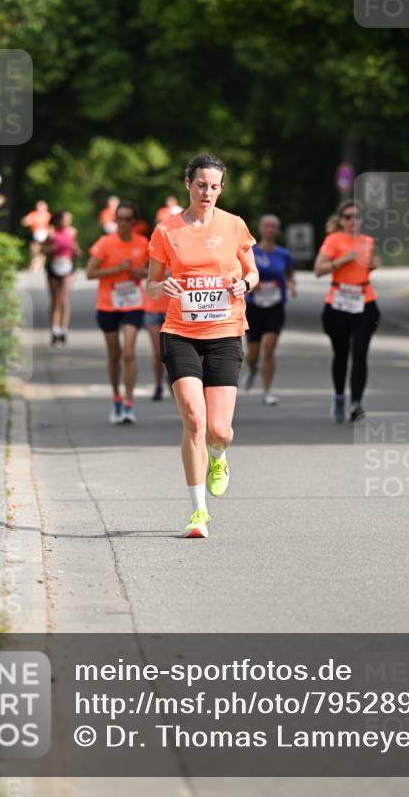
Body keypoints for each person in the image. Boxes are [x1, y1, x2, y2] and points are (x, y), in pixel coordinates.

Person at [146, 154, 259, 538]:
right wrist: (162, 288)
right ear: (187, 184)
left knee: (219, 428)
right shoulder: (166, 230)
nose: (206, 192)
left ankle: (219, 455)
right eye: (200, 185)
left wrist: (245, 284)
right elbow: (151, 283)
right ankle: (198, 513)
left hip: (226, 332)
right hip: (180, 332)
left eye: (213, 186)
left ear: (221, 188)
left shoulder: (234, 225)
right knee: (193, 419)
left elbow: (252, 271)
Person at [313, 199, 381, 422]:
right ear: (341, 221)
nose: (353, 220)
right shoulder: (333, 240)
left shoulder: (367, 241)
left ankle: (356, 403)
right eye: (348, 217)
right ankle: (340, 397)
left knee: (360, 354)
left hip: (364, 302)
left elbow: (370, 265)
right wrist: (342, 260)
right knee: (341, 355)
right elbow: (318, 270)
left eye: (357, 216)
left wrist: (373, 262)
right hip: (338, 303)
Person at [87, 200, 148, 424]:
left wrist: (140, 272)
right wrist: (117, 269)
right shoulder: (105, 243)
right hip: (108, 304)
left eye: (127, 219)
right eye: (119, 218)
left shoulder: (143, 243)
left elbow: (153, 272)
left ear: (134, 222)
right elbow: (90, 273)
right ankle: (116, 398)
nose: (122, 223)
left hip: (133, 303)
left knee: (129, 353)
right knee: (114, 354)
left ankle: (129, 403)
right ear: (114, 220)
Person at [242, 214, 295, 405]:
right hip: (254, 306)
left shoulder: (283, 254)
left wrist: (291, 285)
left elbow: (289, 273)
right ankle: (252, 369)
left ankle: (267, 391)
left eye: (274, 226)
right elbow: (241, 274)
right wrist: (248, 284)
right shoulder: (251, 252)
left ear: (277, 231)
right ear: (261, 229)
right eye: (267, 226)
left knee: (269, 349)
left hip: (275, 305)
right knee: (253, 352)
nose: (270, 229)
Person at [44, 211, 81, 346]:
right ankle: (54, 330)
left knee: (64, 299)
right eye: (66, 219)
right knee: (55, 300)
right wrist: (51, 248)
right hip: (54, 267)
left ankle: (64, 329)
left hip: (68, 267)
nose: (68, 221)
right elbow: (42, 249)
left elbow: (76, 247)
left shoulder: (72, 232)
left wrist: (76, 251)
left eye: (69, 219)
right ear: (58, 220)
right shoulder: (51, 232)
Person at [143, 274, 169, 401]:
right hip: (153, 309)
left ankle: (173, 377)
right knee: (159, 352)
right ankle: (158, 385)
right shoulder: (151, 254)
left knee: (175, 351)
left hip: (174, 309)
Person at [21, 200, 51, 271]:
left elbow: (51, 226)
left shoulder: (48, 215)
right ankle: (34, 264)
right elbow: (25, 222)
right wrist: (27, 221)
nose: (39, 208)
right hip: (36, 234)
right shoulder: (33, 214)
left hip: (45, 234)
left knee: (42, 251)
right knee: (34, 249)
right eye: (38, 206)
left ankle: (40, 266)